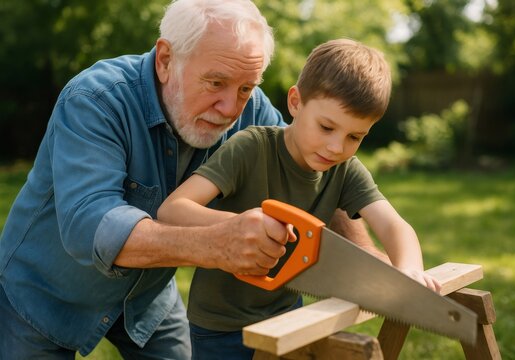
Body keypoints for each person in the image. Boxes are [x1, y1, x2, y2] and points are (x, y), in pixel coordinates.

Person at [0, 0, 383, 358]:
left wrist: (371, 263)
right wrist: (215, 243)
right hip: (44, 297)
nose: (232, 108)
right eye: (215, 83)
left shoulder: (252, 110)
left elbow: (309, 169)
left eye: (246, 88)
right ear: (166, 59)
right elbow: (89, 225)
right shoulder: (97, 99)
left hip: (147, 299)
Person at [157, 38, 442, 359]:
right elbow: (172, 211)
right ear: (296, 102)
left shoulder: (345, 168)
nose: (336, 147)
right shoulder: (251, 148)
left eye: (354, 137)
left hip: (288, 316)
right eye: (326, 127)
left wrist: (409, 271)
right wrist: (236, 226)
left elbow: (393, 226)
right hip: (221, 324)